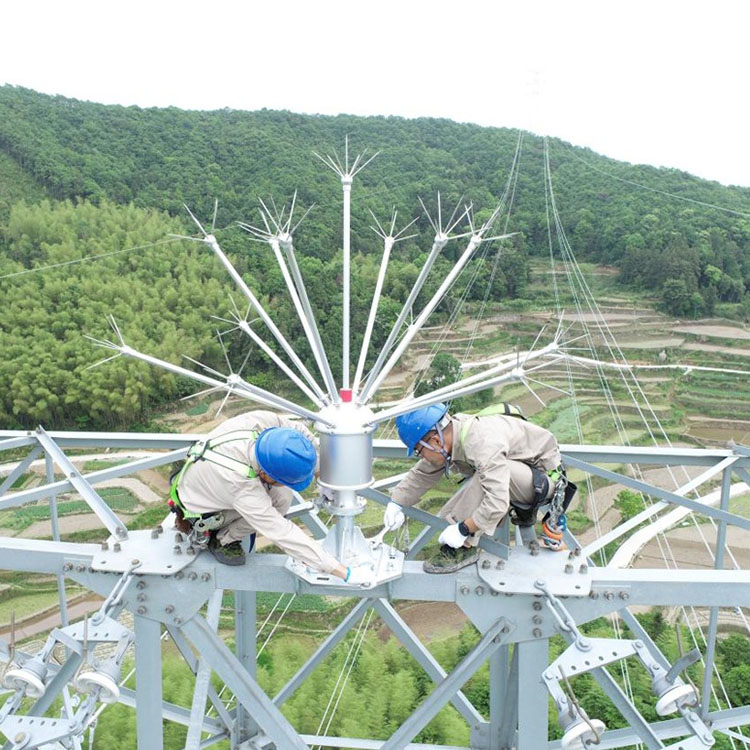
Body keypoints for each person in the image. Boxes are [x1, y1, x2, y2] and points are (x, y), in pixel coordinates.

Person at [169, 410, 373, 586]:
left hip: (207, 476)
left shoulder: (264, 423)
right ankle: (221, 539)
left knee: (283, 496)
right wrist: (342, 572)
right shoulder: (240, 485)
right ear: (266, 474)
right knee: (276, 507)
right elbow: (280, 531)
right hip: (201, 508)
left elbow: (300, 435)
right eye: (281, 480)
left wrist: (322, 475)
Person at [383, 402, 575, 573]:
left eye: (418, 451)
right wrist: (396, 502)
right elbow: (424, 472)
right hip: (524, 470)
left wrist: (463, 529)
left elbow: (497, 501)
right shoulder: (453, 432)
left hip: (543, 480)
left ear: (436, 441)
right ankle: (462, 538)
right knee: (488, 475)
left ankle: (463, 547)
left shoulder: (481, 443)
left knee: (485, 479)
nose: (421, 456)